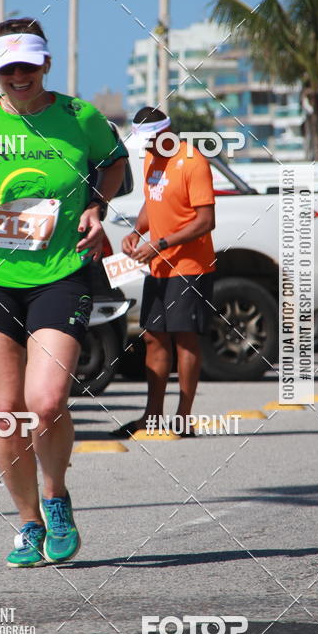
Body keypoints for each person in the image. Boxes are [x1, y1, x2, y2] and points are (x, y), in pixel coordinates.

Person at [0, 18, 127, 568]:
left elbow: (115, 162)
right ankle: (27, 522)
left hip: (61, 273)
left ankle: (55, 496)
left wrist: (96, 205)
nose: (19, 76)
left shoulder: (80, 117)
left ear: (46, 63)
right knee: (5, 411)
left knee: (45, 402)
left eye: (28, 66)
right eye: (8, 69)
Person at [115, 106, 216, 437]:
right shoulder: (151, 158)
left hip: (190, 266)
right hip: (158, 266)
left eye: (149, 140)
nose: (146, 147)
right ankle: (152, 417)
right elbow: (152, 200)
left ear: (165, 133)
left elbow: (205, 221)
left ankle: (184, 417)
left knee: (185, 339)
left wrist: (160, 243)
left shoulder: (192, 161)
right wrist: (137, 230)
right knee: (153, 337)